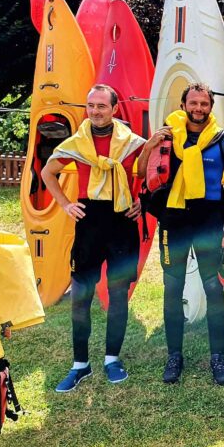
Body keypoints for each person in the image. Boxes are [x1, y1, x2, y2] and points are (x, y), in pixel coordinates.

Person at [40, 84, 146, 391]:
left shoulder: (131, 142)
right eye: (91, 106)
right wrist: (64, 203)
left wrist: (141, 200)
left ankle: (112, 359)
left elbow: (147, 172)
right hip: (89, 219)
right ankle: (80, 365)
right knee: (81, 295)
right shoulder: (77, 143)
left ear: (114, 109)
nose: (96, 111)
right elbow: (48, 172)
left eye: (101, 105)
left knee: (117, 295)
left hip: (121, 221)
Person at [137, 82, 224, 386]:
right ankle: (174, 356)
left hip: (208, 218)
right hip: (174, 218)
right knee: (172, 289)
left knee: (213, 287)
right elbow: (141, 171)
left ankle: (217, 357)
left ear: (211, 107)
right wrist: (149, 144)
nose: (198, 108)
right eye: (193, 103)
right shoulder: (167, 136)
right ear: (183, 105)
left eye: (204, 104)